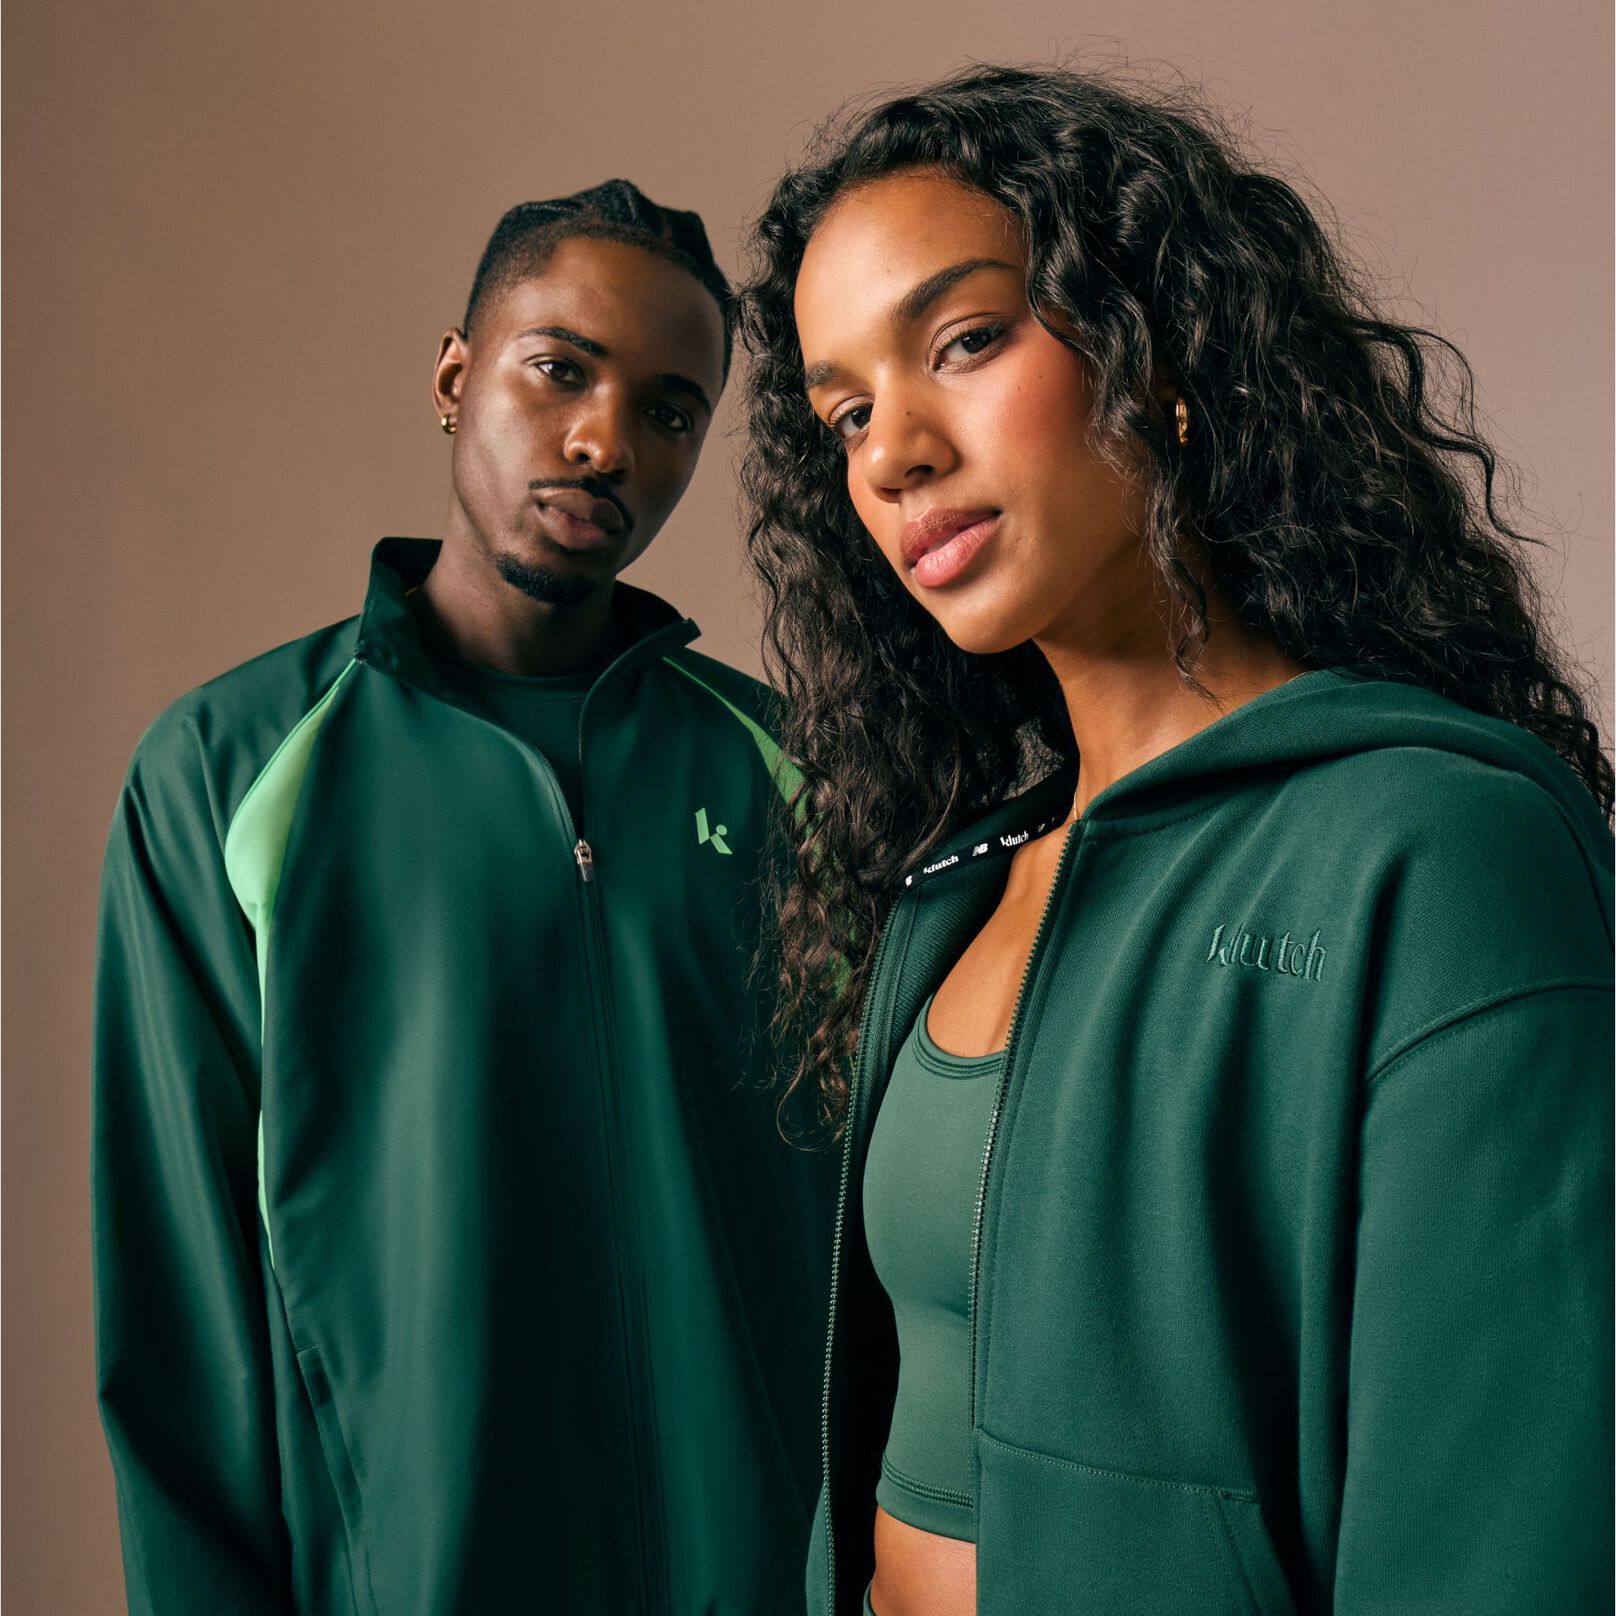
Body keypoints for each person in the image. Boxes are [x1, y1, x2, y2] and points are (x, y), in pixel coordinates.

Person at [737, 64, 1615, 1616]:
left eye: (965, 341)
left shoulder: (1435, 856)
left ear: (1163, 347)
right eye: (848, 412)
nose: (892, 453)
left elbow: (1501, 1546)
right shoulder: (957, 888)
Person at [92, 179, 832, 1615]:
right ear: (454, 377)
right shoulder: (232, 774)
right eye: (559, 367)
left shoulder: (790, 774)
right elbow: (176, 1318)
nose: (606, 439)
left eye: (672, 409)